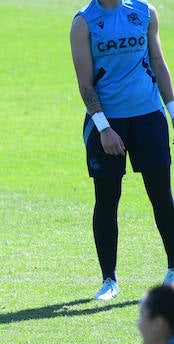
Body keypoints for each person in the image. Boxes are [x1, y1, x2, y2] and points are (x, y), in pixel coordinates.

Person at [71, 0, 174, 302]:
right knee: (107, 199)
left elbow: (158, 62)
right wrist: (104, 128)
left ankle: (173, 269)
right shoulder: (84, 23)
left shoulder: (144, 12)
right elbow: (85, 83)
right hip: (107, 121)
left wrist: (172, 111)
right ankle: (109, 280)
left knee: (161, 195)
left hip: (148, 116)